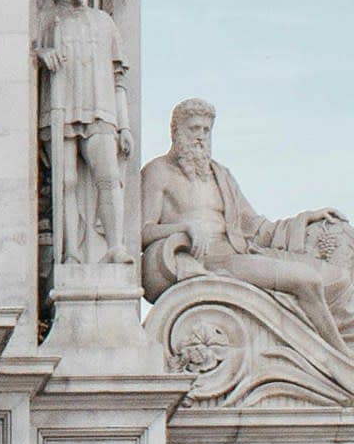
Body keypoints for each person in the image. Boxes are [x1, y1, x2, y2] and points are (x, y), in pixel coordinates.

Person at [141, 99, 352, 338]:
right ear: (176, 131)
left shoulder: (220, 175)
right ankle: (336, 358)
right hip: (205, 260)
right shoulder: (157, 172)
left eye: (206, 130)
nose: (200, 136)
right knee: (308, 280)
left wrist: (306, 219)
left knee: (337, 278)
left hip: (239, 252)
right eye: (194, 129)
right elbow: (142, 232)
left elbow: (255, 226)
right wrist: (183, 228)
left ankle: (338, 346)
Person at [39, 0, 131, 270]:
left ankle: (116, 246)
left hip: (100, 109)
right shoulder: (48, 20)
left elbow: (119, 78)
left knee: (107, 176)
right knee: (64, 182)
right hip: (61, 109)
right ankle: (71, 253)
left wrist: (125, 126)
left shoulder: (104, 22)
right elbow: (31, 49)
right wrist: (41, 53)